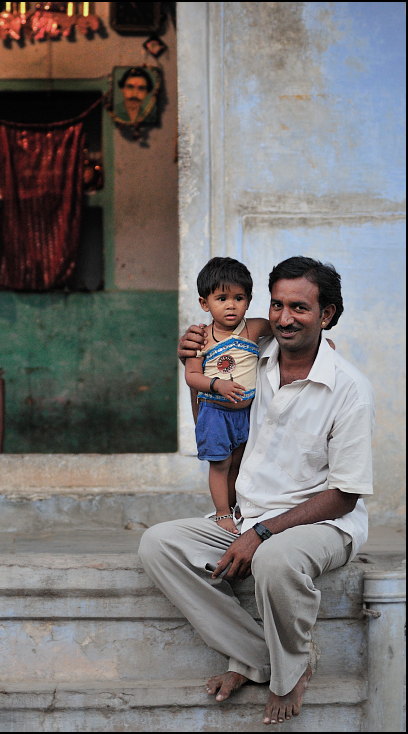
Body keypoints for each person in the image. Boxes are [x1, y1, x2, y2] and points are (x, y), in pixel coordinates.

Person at [138, 256, 375, 726]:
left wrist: (262, 533)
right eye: (278, 305)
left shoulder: (349, 388)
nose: (285, 318)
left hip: (323, 522)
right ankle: (255, 657)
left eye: (300, 308)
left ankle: (289, 673)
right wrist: (194, 360)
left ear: (326, 315)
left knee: (274, 559)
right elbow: (211, 418)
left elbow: (345, 494)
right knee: (159, 545)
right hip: (251, 517)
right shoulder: (252, 358)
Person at [185, 257, 271, 535]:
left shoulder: (255, 328)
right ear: (204, 303)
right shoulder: (201, 337)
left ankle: (236, 509)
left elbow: (286, 330)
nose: (231, 305)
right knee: (220, 463)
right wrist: (215, 385)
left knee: (240, 461)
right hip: (215, 412)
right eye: (222, 298)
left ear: (249, 300)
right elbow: (191, 375)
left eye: (239, 297)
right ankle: (222, 513)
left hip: (247, 413)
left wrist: (319, 341)